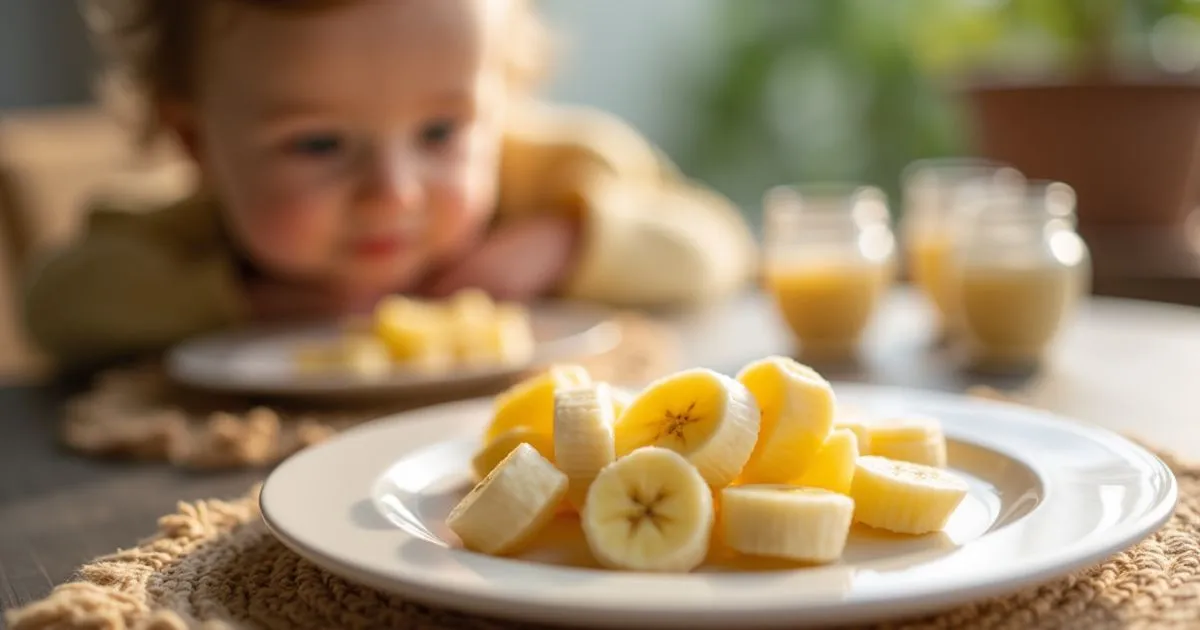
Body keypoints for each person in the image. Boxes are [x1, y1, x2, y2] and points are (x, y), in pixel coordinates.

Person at [21, 0, 758, 372]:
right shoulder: (186, 230)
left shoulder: (552, 173)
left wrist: (563, 241)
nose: (392, 193)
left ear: (502, 99)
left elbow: (714, 240)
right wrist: (242, 298)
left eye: (441, 134)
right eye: (318, 144)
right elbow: (54, 300)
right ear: (196, 143)